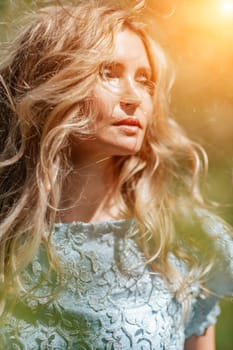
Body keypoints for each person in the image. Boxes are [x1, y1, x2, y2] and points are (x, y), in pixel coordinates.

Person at [0, 1, 232, 349]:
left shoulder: (183, 243)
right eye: (108, 72)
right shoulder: (8, 237)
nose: (134, 97)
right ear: (51, 83)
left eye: (145, 81)